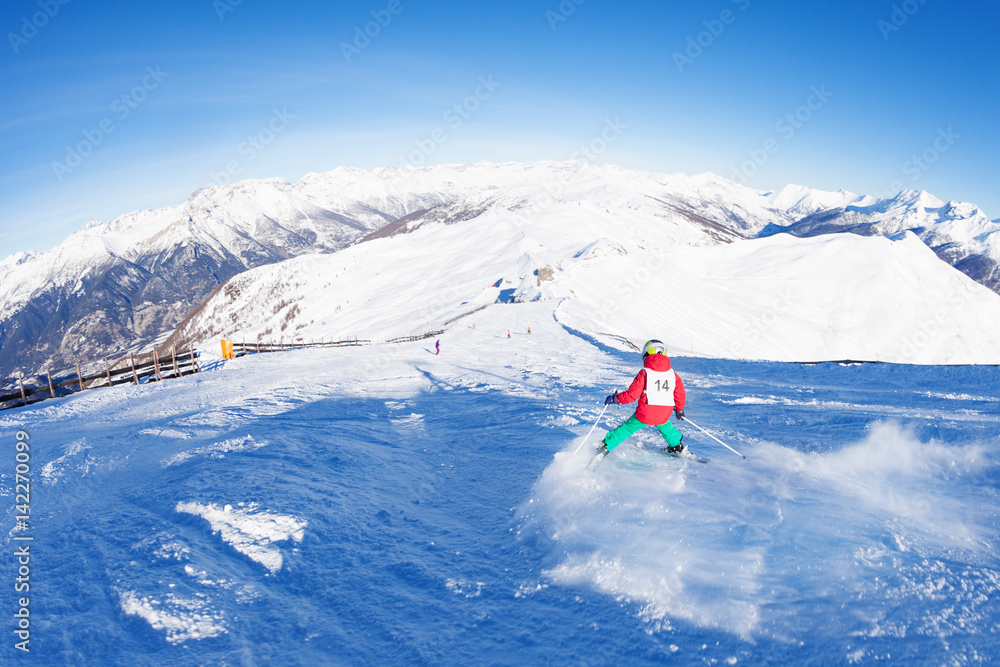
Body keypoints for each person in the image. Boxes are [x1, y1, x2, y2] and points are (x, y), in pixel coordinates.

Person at [595, 339, 686, 460]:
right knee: (665, 425)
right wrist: (679, 410)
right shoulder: (672, 374)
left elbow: (632, 395)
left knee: (627, 428)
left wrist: (615, 399)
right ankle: (676, 446)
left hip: (645, 412)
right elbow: (680, 394)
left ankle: (605, 448)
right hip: (665, 412)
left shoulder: (645, 373)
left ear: (646, 354)